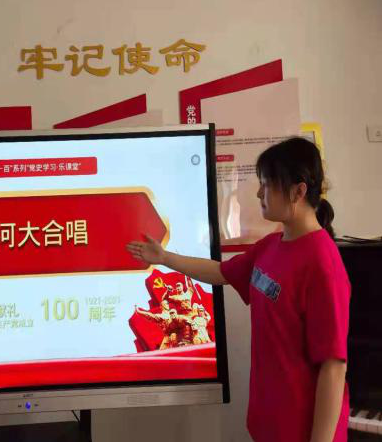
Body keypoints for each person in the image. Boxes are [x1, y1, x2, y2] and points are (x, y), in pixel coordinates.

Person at [127, 137, 350, 442]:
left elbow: (333, 367)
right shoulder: (271, 246)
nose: (259, 193)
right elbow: (220, 273)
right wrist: (165, 258)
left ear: (298, 191)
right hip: (269, 422)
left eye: (267, 184)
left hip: (302, 430)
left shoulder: (322, 263)